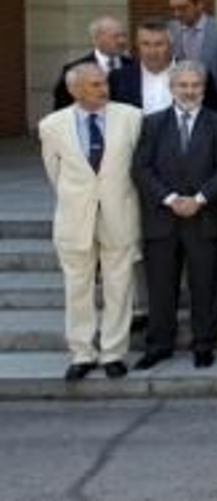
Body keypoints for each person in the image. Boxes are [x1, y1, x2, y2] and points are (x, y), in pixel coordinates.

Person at [40, 63, 143, 381]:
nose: (103, 89)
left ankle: (113, 352)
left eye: (104, 83)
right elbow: (54, 174)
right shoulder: (51, 125)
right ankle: (82, 353)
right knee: (77, 289)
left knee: (119, 287)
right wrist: (80, 200)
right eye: (94, 85)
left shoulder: (131, 117)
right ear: (74, 90)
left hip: (119, 214)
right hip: (75, 218)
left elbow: (137, 168)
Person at [131, 61, 217, 370]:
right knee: (161, 287)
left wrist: (199, 199)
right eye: (183, 86)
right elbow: (141, 168)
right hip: (162, 219)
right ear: (171, 88)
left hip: (204, 218)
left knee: (205, 286)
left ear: (204, 88)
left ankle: (204, 344)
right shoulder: (151, 123)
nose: (189, 91)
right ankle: (159, 345)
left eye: (196, 86)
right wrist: (172, 198)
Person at [53, 15, 133, 110]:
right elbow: (62, 108)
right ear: (96, 39)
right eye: (115, 36)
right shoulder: (74, 69)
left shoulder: (134, 66)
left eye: (124, 35)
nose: (122, 41)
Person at [109, 20, 175, 114]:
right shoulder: (118, 78)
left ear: (170, 45)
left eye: (159, 44)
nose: (152, 51)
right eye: (146, 44)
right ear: (137, 46)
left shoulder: (190, 74)